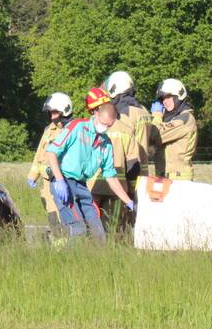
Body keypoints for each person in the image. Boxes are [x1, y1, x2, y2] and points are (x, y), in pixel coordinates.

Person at [45, 88, 135, 242]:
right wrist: (59, 181)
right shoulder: (77, 127)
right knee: (78, 230)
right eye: (103, 123)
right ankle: (68, 262)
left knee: (99, 234)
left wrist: (128, 201)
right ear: (96, 114)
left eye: (108, 126)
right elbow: (51, 152)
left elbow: (111, 178)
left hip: (82, 185)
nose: (104, 127)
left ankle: (97, 262)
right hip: (64, 182)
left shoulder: (105, 144)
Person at [93, 70, 151, 232]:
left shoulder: (122, 115)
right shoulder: (144, 111)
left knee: (118, 224)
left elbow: (121, 150)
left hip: (126, 174)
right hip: (143, 174)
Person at [27, 92, 74, 228]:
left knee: (64, 216)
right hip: (47, 182)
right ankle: (57, 246)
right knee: (52, 216)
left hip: (60, 181)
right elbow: (40, 154)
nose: (52, 116)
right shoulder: (49, 130)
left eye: (55, 113)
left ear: (64, 111)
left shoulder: (70, 130)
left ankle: (67, 245)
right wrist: (32, 175)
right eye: (50, 113)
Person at [150, 78, 198, 181]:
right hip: (164, 176)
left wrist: (157, 116)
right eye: (162, 99)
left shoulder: (185, 119)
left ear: (178, 95)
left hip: (178, 179)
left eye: (168, 97)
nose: (164, 102)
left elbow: (155, 134)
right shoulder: (170, 118)